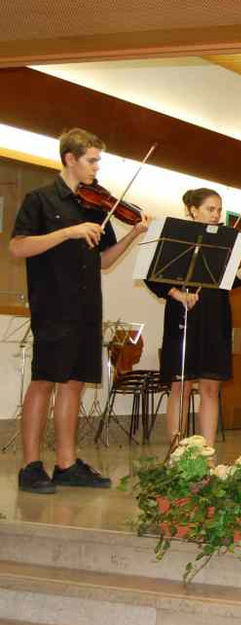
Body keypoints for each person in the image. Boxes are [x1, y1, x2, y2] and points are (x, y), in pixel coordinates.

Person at [10, 127, 149, 493]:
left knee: (74, 383)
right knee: (44, 380)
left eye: (98, 160)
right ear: (70, 159)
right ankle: (30, 466)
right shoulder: (40, 199)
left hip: (88, 307)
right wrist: (67, 232)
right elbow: (18, 247)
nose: (96, 168)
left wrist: (133, 235)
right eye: (92, 160)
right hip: (53, 304)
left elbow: (105, 260)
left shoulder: (94, 205)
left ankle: (67, 464)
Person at [146, 188, 241, 446]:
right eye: (210, 209)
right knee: (181, 386)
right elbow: (153, 275)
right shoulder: (176, 237)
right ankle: (176, 451)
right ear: (193, 210)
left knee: (211, 388)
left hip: (215, 317)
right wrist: (178, 294)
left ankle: (208, 453)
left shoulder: (224, 241)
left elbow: (234, 280)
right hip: (182, 316)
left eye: (219, 210)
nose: (216, 215)